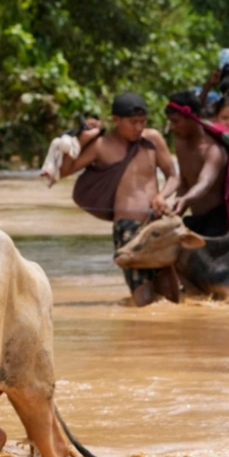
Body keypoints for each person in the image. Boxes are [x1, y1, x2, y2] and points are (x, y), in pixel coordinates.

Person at [51, 92, 181, 306]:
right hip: (127, 228)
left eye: (142, 122)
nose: (138, 127)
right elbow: (64, 171)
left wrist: (162, 195)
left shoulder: (153, 139)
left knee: (171, 294)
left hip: (157, 224)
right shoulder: (101, 145)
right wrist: (83, 138)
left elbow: (174, 176)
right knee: (144, 297)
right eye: (133, 122)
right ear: (116, 120)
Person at [165, 91, 229, 236]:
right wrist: (177, 211)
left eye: (176, 121)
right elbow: (184, 181)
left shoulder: (213, 150)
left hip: (218, 221)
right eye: (170, 121)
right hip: (196, 218)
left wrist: (185, 200)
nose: (172, 127)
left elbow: (204, 184)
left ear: (192, 118)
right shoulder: (180, 144)